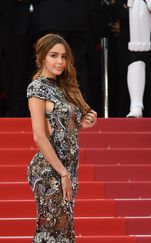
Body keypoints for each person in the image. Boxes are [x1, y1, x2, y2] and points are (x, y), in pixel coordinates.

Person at [27, 33, 97, 242]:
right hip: (50, 169)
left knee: (63, 231)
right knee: (52, 230)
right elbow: (40, 136)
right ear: (41, 57)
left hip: (68, 168)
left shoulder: (63, 87)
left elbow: (63, 127)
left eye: (63, 57)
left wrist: (82, 123)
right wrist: (63, 173)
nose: (60, 62)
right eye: (53, 55)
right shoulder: (37, 88)